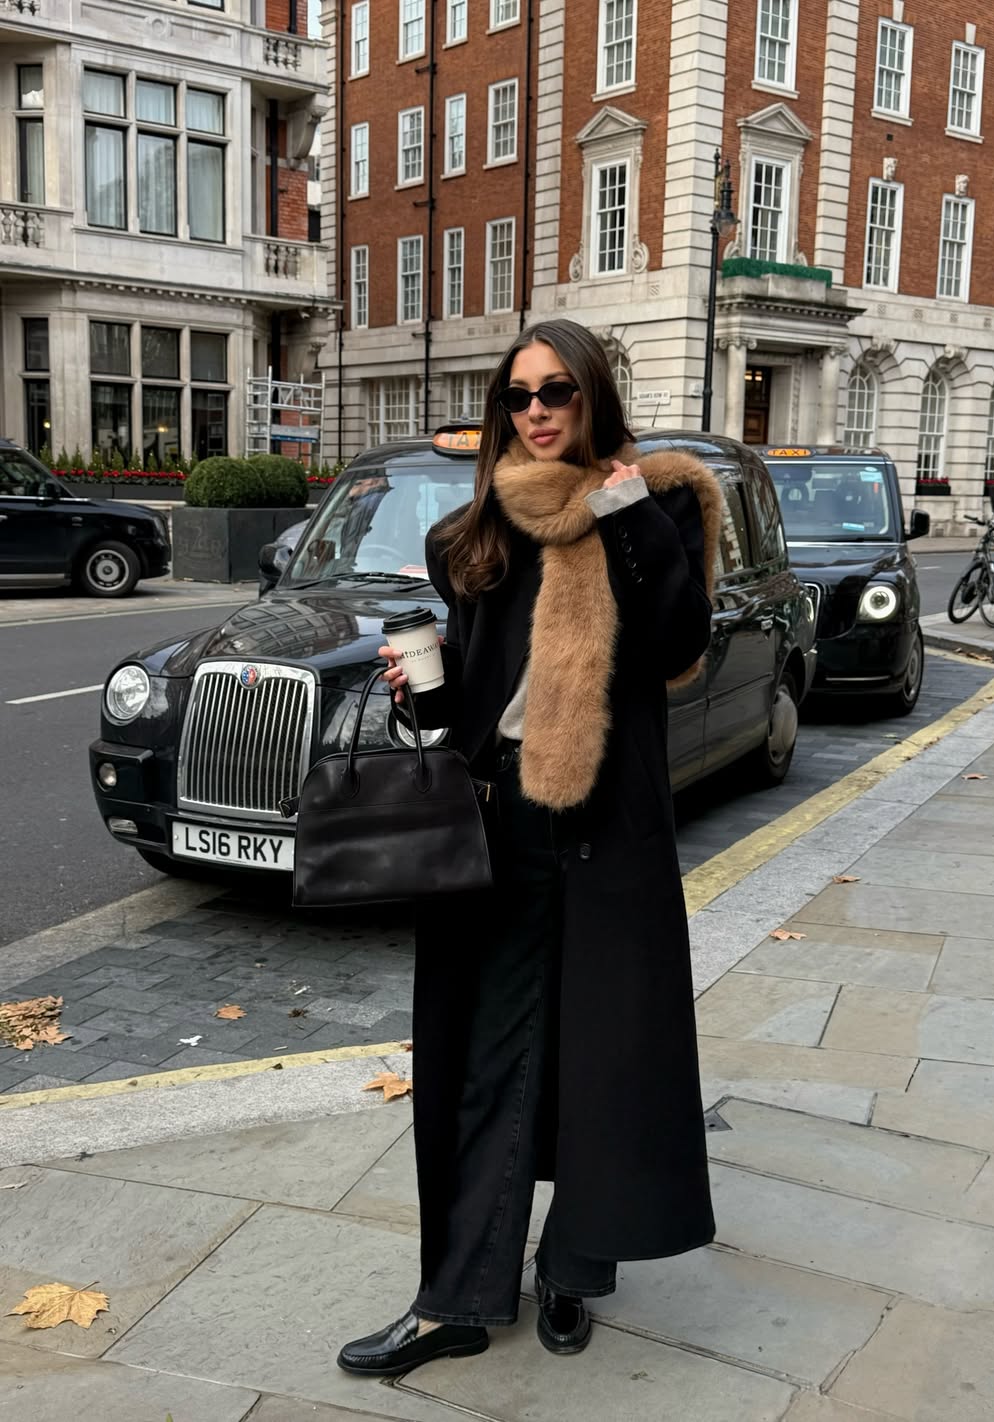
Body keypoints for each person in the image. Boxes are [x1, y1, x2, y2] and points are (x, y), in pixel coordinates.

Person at [337, 319, 722, 1380]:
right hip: (499, 819)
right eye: (519, 396)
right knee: (478, 1059)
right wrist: (428, 688)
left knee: (606, 1063)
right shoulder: (481, 529)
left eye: (557, 391)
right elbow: (473, 696)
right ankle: (456, 1297)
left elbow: (678, 643)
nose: (538, 411)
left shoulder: (664, 505)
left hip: (608, 826)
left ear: (592, 397)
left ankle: (572, 1269)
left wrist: (623, 510)